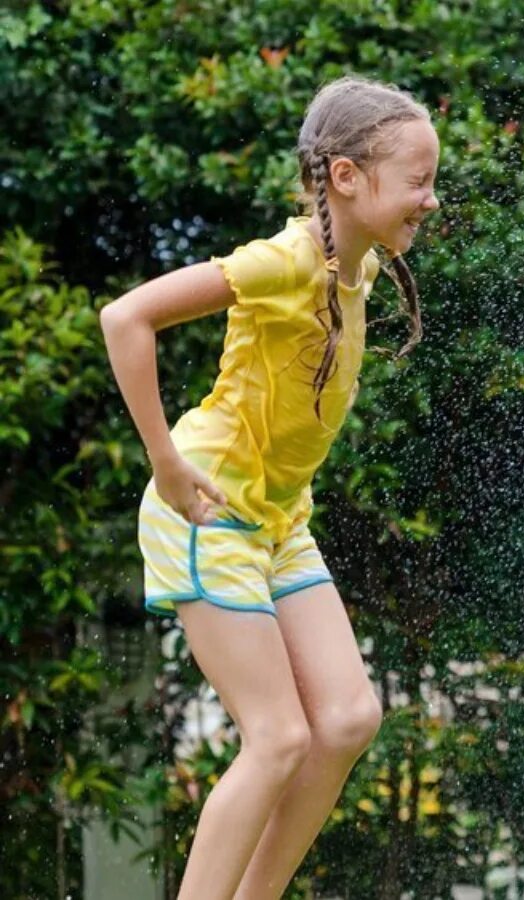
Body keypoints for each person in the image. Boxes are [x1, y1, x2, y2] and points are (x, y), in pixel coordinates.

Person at [100, 75, 440, 898]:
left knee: (349, 720)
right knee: (279, 736)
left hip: (277, 520)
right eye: (419, 181)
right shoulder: (285, 261)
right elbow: (125, 318)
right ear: (347, 178)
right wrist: (166, 464)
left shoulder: (351, 268)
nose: (431, 200)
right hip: (207, 510)